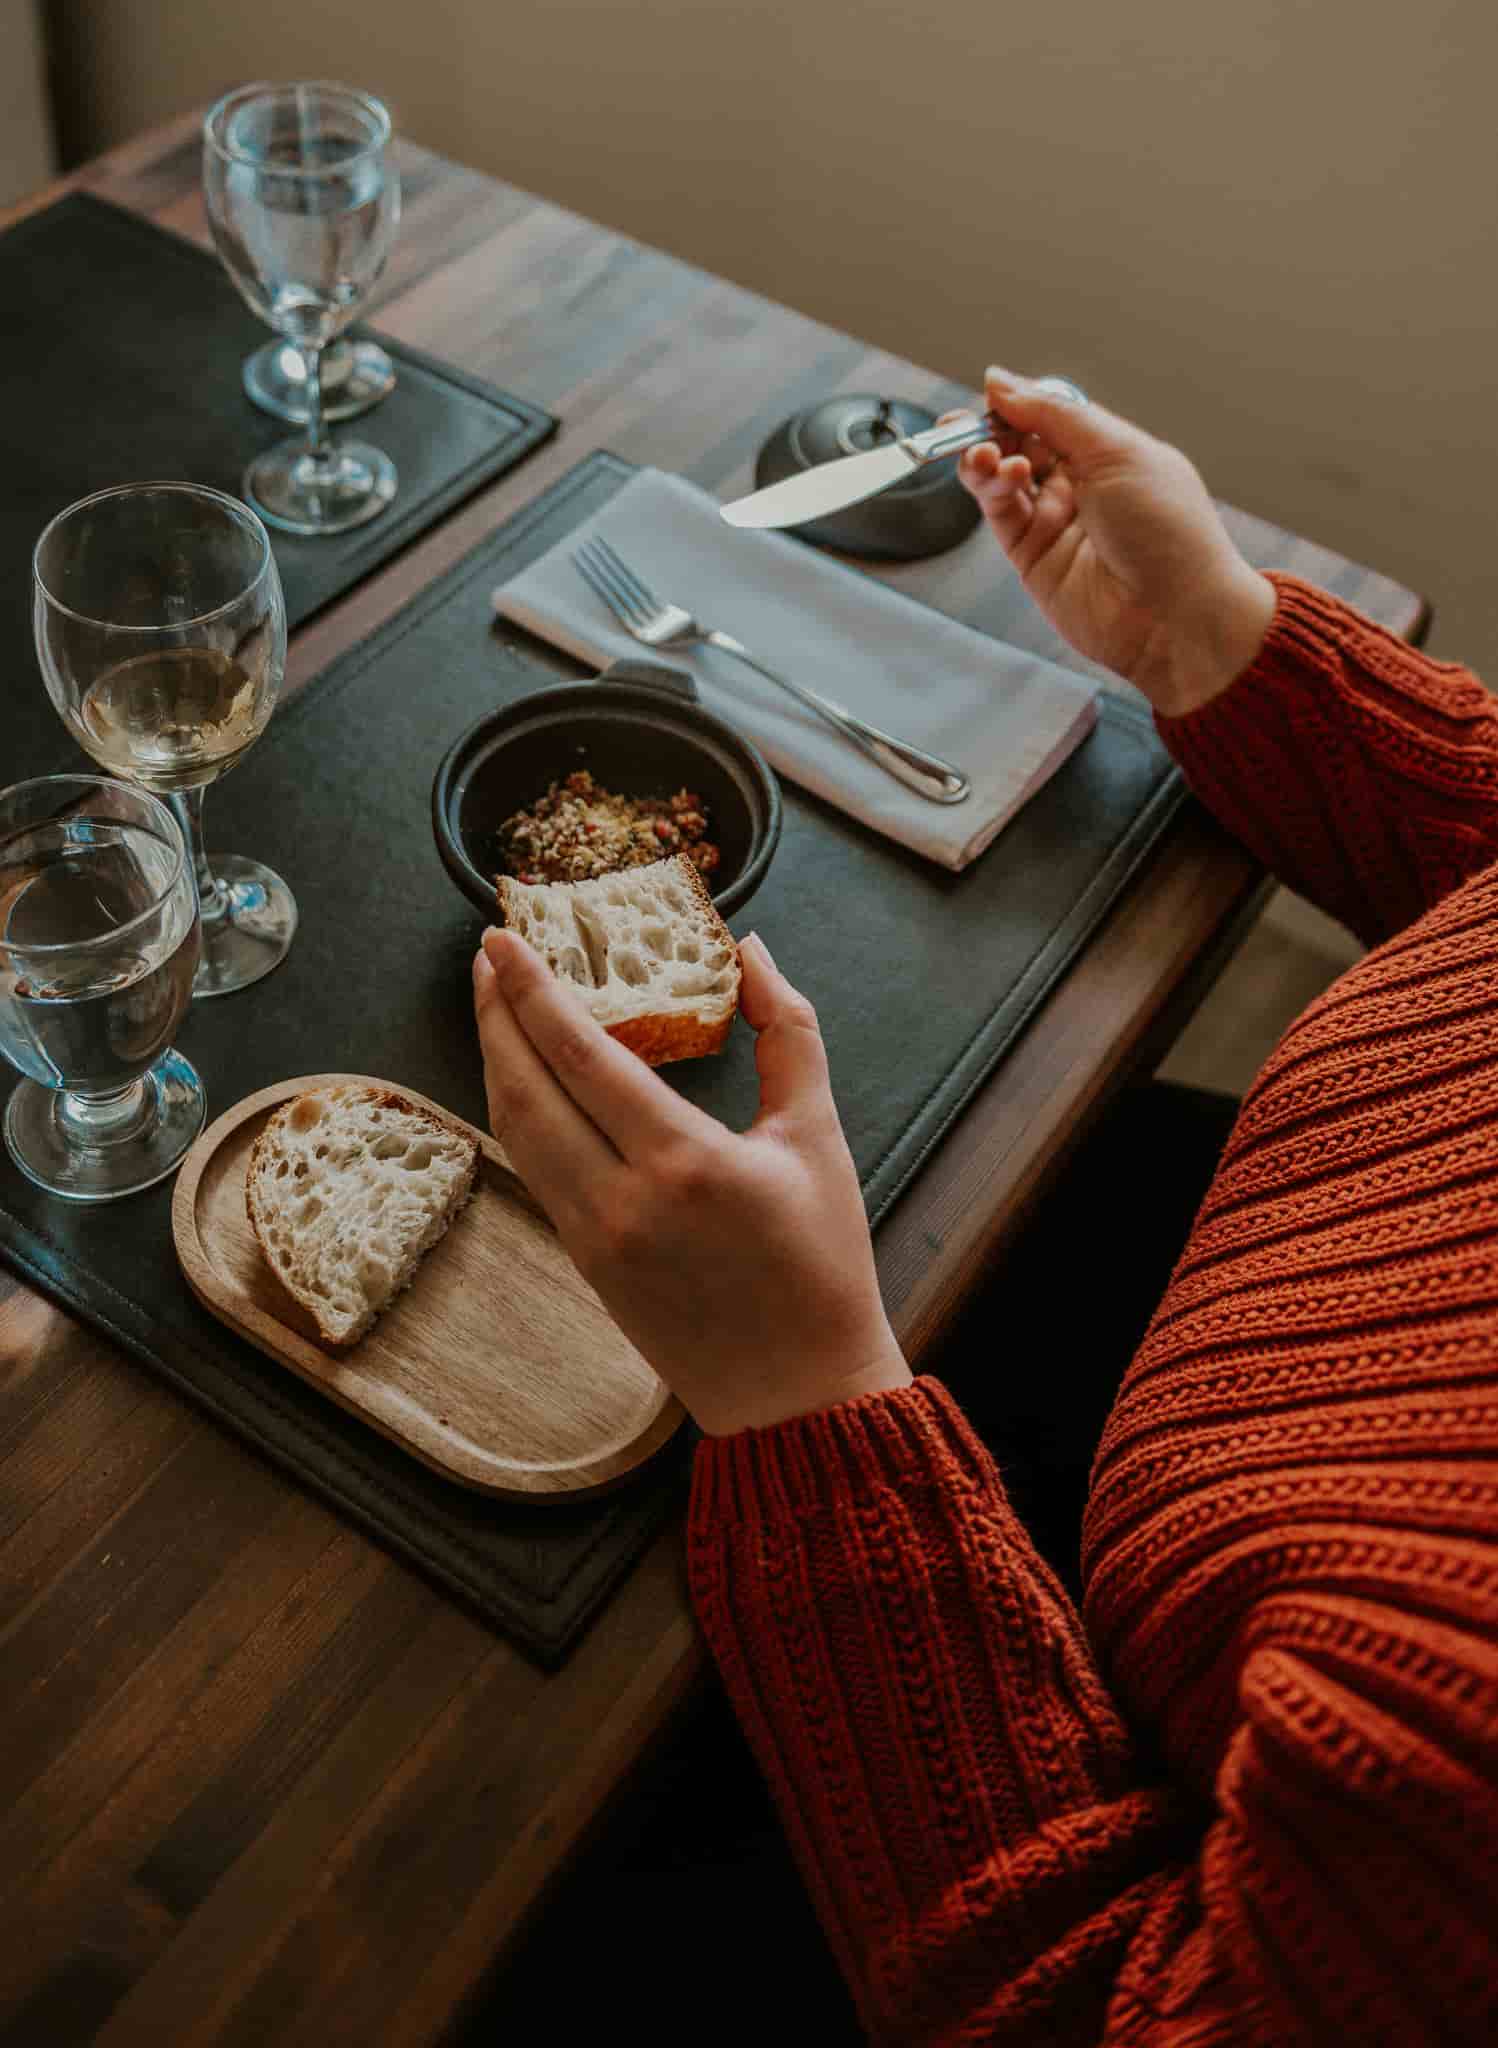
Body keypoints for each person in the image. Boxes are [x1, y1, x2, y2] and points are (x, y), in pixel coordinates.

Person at [471, 367, 1498, 2045]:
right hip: (1203, 1318)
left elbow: (1097, 2004)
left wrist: (804, 1406)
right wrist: (1219, 648)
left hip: (987, 1759)